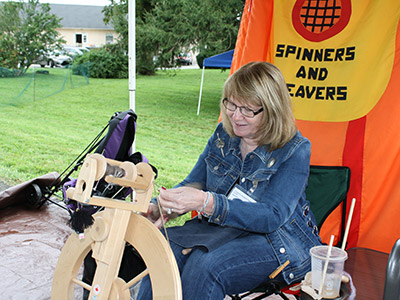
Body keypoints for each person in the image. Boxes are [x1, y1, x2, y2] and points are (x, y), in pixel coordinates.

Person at [137, 61, 322, 299]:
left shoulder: (294, 149)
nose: (235, 116)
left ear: (272, 109)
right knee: (163, 249)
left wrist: (207, 203)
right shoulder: (223, 135)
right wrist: (162, 206)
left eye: (247, 110)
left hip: (276, 240)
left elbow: (272, 216)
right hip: (223, 229)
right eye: (231, 104)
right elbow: (195, 182)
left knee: (206, 266)